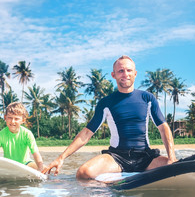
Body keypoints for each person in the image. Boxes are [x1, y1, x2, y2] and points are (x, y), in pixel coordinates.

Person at [43, 55, 177, 179]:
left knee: (177, 168)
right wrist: (61, 157)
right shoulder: (106, 103)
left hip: (146, 157)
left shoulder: (147, 98)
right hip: (117, 158)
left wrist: (172, 157)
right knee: (83, 173)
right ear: (113, 75)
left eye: (129, 70)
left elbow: (163, 128)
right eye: (120, 71)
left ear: (135, 74)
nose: (125, 74)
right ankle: (106, 194)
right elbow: (86, 133)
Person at [0, 102, 44, 171]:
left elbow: (35, 153)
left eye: (16, 119)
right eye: (10, 118)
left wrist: (40, 169)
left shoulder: (27, 134)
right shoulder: (1, 134)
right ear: (5, 118)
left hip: (26, 163)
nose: (12, 121)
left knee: (45, 169)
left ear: (23, 120)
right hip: (9, 164)